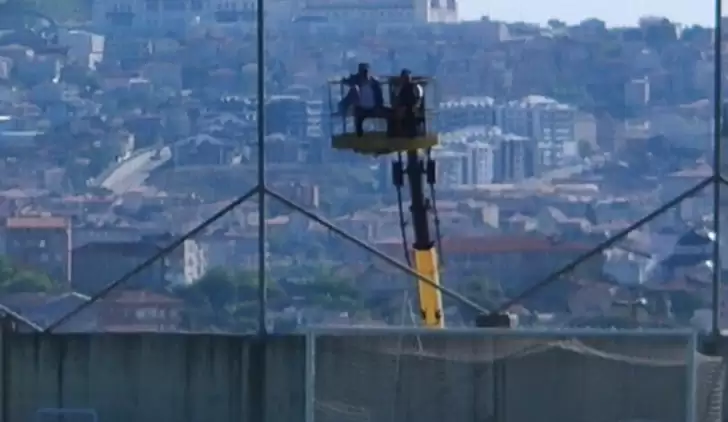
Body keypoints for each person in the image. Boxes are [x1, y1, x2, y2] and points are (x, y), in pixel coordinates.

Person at [339, 63, 385, 137]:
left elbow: (380, 98)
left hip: (374, 107)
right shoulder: (357, 81)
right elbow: (348, 81)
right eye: (363, 72)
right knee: (358, 114)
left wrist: (379, 106)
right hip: (361, 108)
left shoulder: (375, 84)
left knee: (388, 114)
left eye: (366, 72)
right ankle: (359, 134)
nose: (364, 75)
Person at [391, 69, 423, 138]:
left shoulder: (415, 87)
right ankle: (398, 133)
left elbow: (419, 98)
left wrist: (416, 105)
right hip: (402, 106)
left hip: (412, 106)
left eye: (407, 78)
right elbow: (396, 98)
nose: (406, 79)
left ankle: (413, 133)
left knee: (411, 113)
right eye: (404, 77)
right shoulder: (400, 87)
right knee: (395, 115)